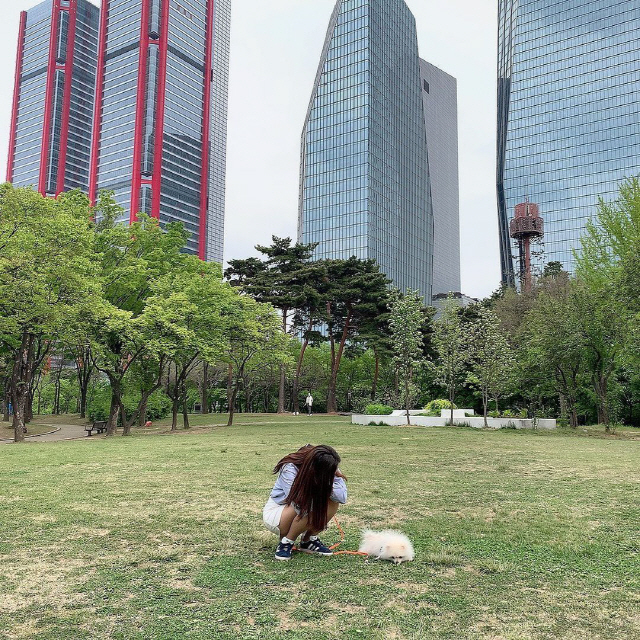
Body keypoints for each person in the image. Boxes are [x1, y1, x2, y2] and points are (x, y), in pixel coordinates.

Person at [263, 444, 347, 561]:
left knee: (333, 501)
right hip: (279, 513)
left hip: (301, 511)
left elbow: (342, 497)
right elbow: (298, 500)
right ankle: (286, 543)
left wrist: (328, 482)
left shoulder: (328, 466)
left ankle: (308, 540)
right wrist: (319, 483)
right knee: (311, 502)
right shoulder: (289, 468)